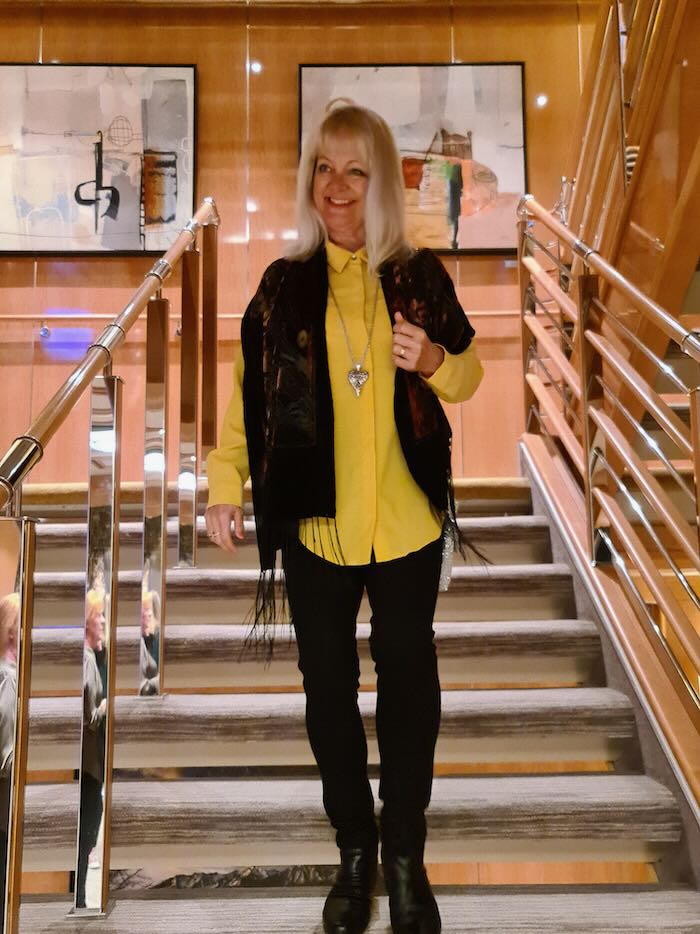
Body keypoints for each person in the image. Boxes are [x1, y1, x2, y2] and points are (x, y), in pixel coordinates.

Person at [205, 100, 483, 934]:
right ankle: (354, 848)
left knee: (408, 676)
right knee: (326, 687)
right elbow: (248, 401)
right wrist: (225, 481)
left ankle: (404, 853)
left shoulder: (419, 275)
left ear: (379, 181)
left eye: (354, 169)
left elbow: (469, 375)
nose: (336, 185)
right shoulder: (284, 284)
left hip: (404, 521)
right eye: (323, 168)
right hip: (316, 526)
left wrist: (433, 360)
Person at [76, 588, 107, 909]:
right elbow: (89, 718)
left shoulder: (91, 656)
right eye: (100, 616)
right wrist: (109, 706)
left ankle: (81, 898)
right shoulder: (85, 659)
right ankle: (80, 900)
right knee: (86, 834)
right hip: (87, 764)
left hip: (90, 763)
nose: (103, 622)